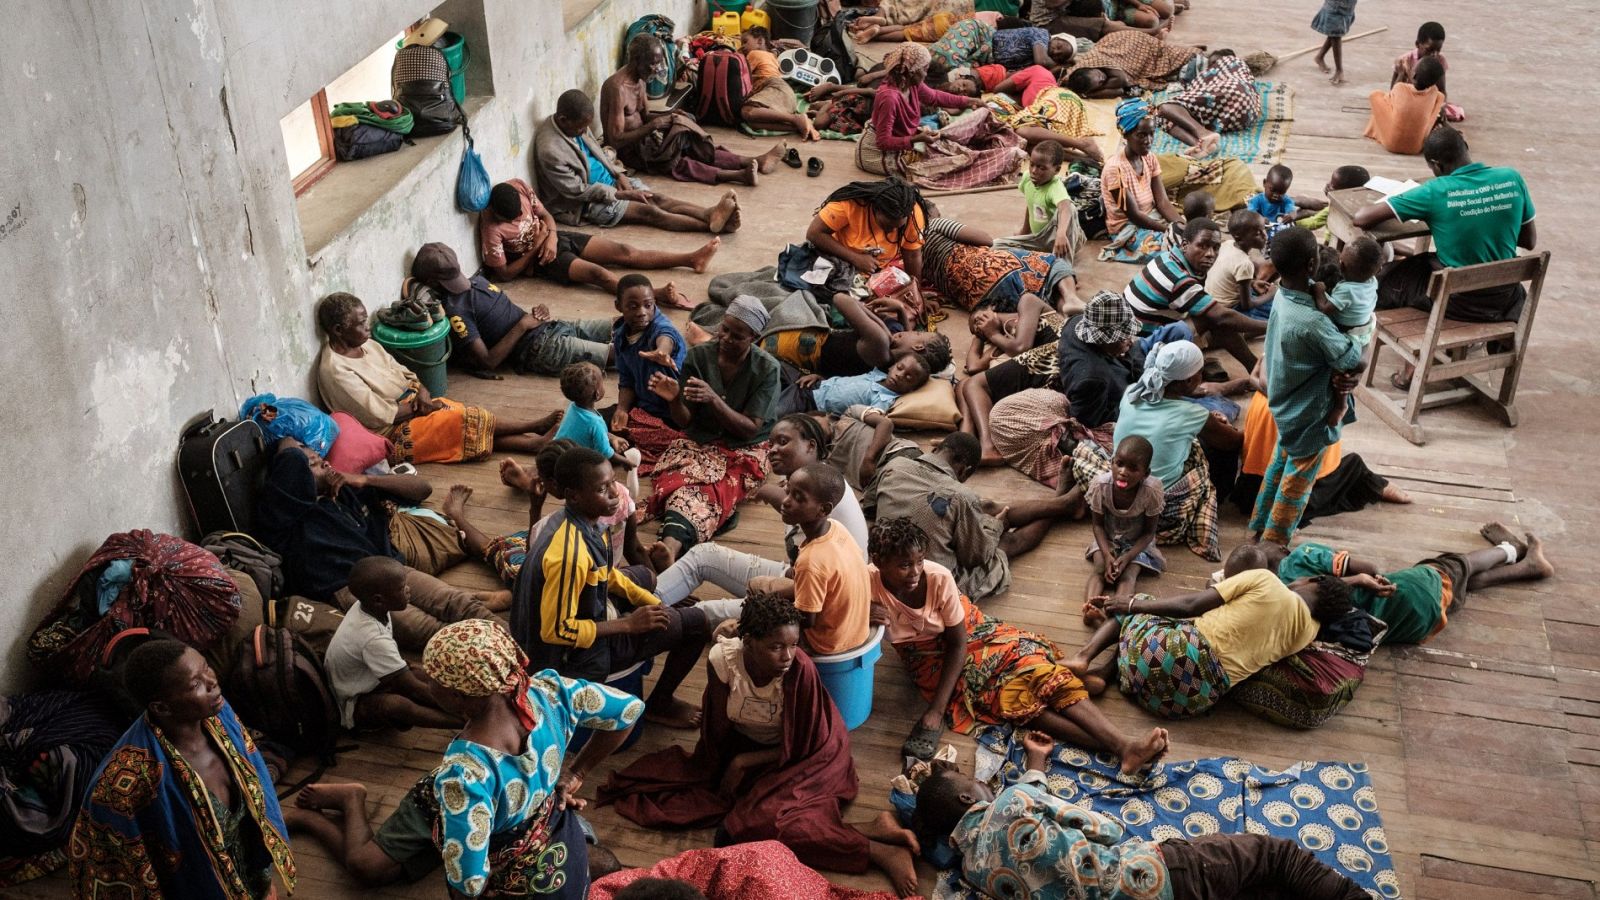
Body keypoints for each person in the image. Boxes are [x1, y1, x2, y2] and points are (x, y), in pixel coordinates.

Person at [600, 593, 923, 898]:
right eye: (775, 647)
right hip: (753, 746)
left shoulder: (800, 672)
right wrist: (721, 764)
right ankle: (870, 828)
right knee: (731, 820)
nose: (787, 656)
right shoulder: (723, 663)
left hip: (809, 754)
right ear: (748, 642)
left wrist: (743, 763)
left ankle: (877, 851)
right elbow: (717, 724)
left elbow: (801, 744)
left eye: (794, 645)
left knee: (772, 825)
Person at [915, 732, 1373, 900]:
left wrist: (1034, 768)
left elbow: (1027, 799)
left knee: (1260, 888)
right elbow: (1106, 829)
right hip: (1154, 879)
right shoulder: (1009, 802)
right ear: (964, 801)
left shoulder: (973, 871)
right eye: (973, 783)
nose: (983, 783)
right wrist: (1034, 767)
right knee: (1275, 856)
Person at [869, 519, 1169, 771]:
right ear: (879, 563)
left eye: (920, 561)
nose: (915, 571)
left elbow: (959, 642)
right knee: (1008, 699)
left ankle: (1123, 745)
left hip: (967, 632)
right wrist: (863, 611)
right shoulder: (865, 582)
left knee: (1030, 664)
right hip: (925, 657)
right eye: (905, 565)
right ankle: (1121, 745)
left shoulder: (938, 577)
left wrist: (936, 711)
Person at [424, 619, 640, 898]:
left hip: (521, 873)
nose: (428, 683)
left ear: (457, 695)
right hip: (558, 831)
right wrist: (577, 773)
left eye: (433, 680)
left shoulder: (465, 775)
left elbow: (469, 882)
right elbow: (629, 710)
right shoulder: (552, 693)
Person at [70, 640, 295, 899]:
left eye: (207, 668)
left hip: (248, 873)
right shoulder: (126, 782)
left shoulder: (220, 717)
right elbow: (113, 871)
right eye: (195, 684)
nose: (212, 682)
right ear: (161, 707)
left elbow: (255, 793)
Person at [511, 447, 709, 729]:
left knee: (644, 576)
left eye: (612, 483)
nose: (615, 495)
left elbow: (607, 575)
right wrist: (629, 625)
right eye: (602, 489)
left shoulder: (581, 522)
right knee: (696, 624)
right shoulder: (568, 555)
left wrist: (650, 601)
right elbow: (556, 631)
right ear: (574, 495)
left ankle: (649, 618)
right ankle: (660, 704)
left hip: (582, 619)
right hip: (565, 662)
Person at [255, 441, 499, 649]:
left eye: (320, 457)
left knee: (457, 602)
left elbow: (423, 489)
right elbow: (289, 451)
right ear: (293, 479)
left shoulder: (345, 493)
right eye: (312, 464)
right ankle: (502, 658)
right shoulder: (287, 515)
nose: (322, 461)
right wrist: (296, 451)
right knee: (433, 631)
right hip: (354, 591)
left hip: (389, 569)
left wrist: (365, 480)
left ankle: (519, 645)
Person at [650, 412, 874, 634]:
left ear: (810, 446)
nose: (773, 450)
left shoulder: (827, 492)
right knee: (702, 556)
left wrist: (766, 592)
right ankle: (645, 600)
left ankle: (645, 622)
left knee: (702, 611)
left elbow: (811, 602)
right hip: (800, 579)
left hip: (820, 603)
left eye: (784, 442)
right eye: (771, 444)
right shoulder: (810, 487)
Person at [1071, 548, 1354, 717]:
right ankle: (1106, 674)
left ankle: (1085, 656)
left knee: (1145, 604)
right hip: (1183, 703)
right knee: (1153, 635)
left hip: (1171, 653)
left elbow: (1190, 604)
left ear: (1315, 579)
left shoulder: (1266, 579)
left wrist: (1131, 603)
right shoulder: (1309, 634)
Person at [314, 292, 559, 462]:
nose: (368, 327)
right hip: (390, 429)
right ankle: (532, 427)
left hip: (412, 404)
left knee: (461, 422)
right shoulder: (336, 371)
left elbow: (403, 370)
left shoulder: (366, 345)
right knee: (462, 419)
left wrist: (421, 390)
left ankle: (533, 444)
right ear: (338, 330)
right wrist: (422, 408)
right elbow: (378, 414)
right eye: (360, 323)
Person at [1354, 127, 1538, 340]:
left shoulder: (1435, 191)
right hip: (1503, 296)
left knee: (1379, 282)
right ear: (1466, 147)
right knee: (1425, 265)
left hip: (1457, 301)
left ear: (1436, 165)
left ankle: (1414, 355)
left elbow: (1362, 218)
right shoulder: (1511, 178)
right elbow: (1529, 241)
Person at [1249, 227, 1364, 546]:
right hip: (1309, 413)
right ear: (1311, 265)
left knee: (1278, 468)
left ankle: (1257, 527)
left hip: (1286, 404)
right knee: (1294, 488)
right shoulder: (1313, 323)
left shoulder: (1285, 295)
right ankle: (1273, 546)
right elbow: (1352, 357)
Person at [645, 298, 781, 568]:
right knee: (681, 480)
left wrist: (714, 400)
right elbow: (686, 421)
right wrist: (673, 400)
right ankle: (671, 547)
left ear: (754, 338)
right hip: (700, 439)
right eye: (725, 329)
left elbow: (750, 428)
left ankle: (671, 545)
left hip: (746, 447)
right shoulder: (698, 357)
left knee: (717, 488)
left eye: (737, 336)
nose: (726, 338)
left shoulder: (767, 369)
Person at [1272, 523, 1555, 646]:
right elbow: (1370, 569)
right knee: (1449, 566)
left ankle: (1525, 569)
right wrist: (1359, 578)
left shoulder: (1285, 613)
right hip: (1412, 593)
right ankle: (1510, 550)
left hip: (1409, 628)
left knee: (1453, 585)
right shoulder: (1301, 559)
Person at [875, 432, 1071, 600]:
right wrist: (995, 528)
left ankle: (1061, 503)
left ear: (936, 450)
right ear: (964, 471)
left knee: (984, 508)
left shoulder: (895, 466)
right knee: (1006, 544)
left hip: (890, 563)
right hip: (927, 584)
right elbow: (976, 558)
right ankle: (1063, 504)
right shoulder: (961, 496)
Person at [534, 89, 740, 233]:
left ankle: (709, 214)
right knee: (649, 211)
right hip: (586, 203)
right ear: (563, 120)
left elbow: (597, 151)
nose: (583, 131)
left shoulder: (573, 121)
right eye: (580, 128)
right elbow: (577, 191)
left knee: (656, 198)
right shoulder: (551, 150)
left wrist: (618, 174)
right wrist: (621, 194)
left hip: (613, 183)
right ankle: (709, 226)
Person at [479, 179, 721, 295]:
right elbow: (505, 275)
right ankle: (653, 295)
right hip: (541, 261)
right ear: (495, 212)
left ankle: (691, 259)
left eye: (519, 215)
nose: (518, 219)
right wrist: (538, 245)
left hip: (556, 238)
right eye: (509, 220)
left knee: (625, 251)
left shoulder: (518, 188)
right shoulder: (492, 230)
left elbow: (546, 216)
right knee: (600, 275)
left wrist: (550, 235)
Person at [412, 242, 616, 377]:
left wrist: (537, 312)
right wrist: (522, 325)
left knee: (620, 324)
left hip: (552, 327)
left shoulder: (477, 281)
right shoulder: (456, 310)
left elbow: (505, 316)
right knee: (617, 353)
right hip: (541, 349)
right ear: (432, 281)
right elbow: (488, 361)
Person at [602, 34, 785, 185]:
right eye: (653, 64)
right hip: (631, 152)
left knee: (693, 141)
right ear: (636, 61)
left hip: (647, 139)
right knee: (678, 161)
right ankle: (736, 176)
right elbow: (615, 140)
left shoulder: (640, 79)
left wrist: (671, 117)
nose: (656, 69)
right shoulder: (617, 88)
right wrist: (654, 125)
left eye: (658, 63)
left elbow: (645, 117)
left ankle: (753, 160)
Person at [859, 44, 1024, 192]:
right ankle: (998, 157)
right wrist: (916, 139)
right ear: (912, 71)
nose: (926, 74)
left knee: (983, 113)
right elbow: (883, 142)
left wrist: (969, 101)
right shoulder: (890, 97)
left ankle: (995, 153)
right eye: (924, 69)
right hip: (877, 154)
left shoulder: (911, 83)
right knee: (961, 162)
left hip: (908, 140)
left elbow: (934, 97)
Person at [324, 556, 461, 731]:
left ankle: (463, 702)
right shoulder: (372, 638)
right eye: (401, 588)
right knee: (399, 706)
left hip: (371, 678)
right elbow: (413, 688)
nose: (408, 590)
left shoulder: (368, 608)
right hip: (353, 700)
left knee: (425, 673)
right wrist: (458, 710)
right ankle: (463, 723)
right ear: (379, 600)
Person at [1125, 218, 1267, 369]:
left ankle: (1253, 366)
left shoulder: (1168, 257)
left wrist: (1250, 283)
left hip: (1141, 329)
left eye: (1215, 247)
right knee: (1219, 320)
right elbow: (1222, 316)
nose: (1210, 254)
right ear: (1185, 245)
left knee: (1219, 319)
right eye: (1202, 246)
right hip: (1141, 345)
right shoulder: (1179, 280)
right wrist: (1271, 326)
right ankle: (1255, 368)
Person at [957, 299, 1074, 465]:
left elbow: (1021, 348)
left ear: (992, 306)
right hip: (1044, 371)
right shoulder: (1005, 337)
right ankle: (964, 442)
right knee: (963, 385)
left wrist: (991, 331)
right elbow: (974, 366)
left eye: (978, 320)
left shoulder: (1028, 302)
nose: (978, 328)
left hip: (1059, 358)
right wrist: (981, 336)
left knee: (974, 385)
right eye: (976, 332)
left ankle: (988, 447)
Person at [761, 290, 952, 381]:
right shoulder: (889, 362)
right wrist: (901, 309)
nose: (911, 330)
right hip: (812, 359)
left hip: (789, 346)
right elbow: (904, 332)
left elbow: (840, 299)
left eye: (918, 333)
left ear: (918, 347)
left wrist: (878, 323)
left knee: (793, 300)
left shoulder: (879, 342)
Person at [783, 464, 873, 654]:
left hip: (827, 643)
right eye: (788, 491)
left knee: (757, 623)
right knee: (764, 587)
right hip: (856, 630)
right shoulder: (836, 528)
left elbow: (806, 620)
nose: (786, 501)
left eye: (798, 497)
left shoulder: (811, 560)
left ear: (823, 509)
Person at [920, 215, 1081, 313]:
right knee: (1053, 262)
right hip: (991, 269)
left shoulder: (907, 250)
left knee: (1040, 295)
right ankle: (1071, 298)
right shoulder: (932, 224)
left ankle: (1063, 315)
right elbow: (986, 240)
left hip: (977, 300)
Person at [609, 276, 688, 464]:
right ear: (618, 306)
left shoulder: (661, 327)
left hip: (674, 413)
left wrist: (662, 352)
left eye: (648, 305)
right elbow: (626, 379)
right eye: (633, 306)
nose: (642, 312)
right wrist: (622, 409)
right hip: (643, 407)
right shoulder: (621, 337)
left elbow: (666, 337)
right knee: (594, 422)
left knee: (618, 443)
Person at [1099, 98, 1186, 264]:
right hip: (1128, 227)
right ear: (1126, 134)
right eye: (1141, 135)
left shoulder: (1149, 159)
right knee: (1174, 252)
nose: (1148, 140)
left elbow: (1162, 201)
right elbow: (1135, 216)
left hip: (1151, 217)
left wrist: (1181, 226)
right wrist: (1169, 229)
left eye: (1152, 133)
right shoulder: (1114, 170)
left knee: (1190, 237)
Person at [1084, 435, 1164, 605]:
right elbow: (1097, 526)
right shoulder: (1100, 486)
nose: (1123, 472)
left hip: (1137, 544)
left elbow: (1149, 533)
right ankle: (1090, 607)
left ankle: (1117, 612)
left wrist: (1128, 557)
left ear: (1145, 473)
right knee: (1099, 569)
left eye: (1133, 469)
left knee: (1128, 575)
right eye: (1119, 464)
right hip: (1107, 539)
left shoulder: (1151, 491)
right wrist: (1106, 555)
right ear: (1112, 462)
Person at [806, 178, 930, 281]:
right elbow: (814, 233)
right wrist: (855, 258)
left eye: (897, 227)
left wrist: (915, 291)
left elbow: (913, 255)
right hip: (839, 259)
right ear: (875, 209)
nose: (891, 231)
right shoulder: (849, 205)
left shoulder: (913, 213)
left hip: (876, 268)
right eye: (886, 225)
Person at [554, 361, 640, 496]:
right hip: (573, 467)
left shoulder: (573, 407)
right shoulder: (595, 423)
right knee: (604, 472)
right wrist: (624, 461)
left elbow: (590, 432)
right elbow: (605, 453)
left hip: (557, 452)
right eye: (602, 382)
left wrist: (612, 437)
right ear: (597, 394)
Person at [1154, 52, 1262, 158]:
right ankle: (1201, 145)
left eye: (1211, 65)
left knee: (1166, 107)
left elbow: (1193, 90)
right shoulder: (1245, 74)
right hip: (1247, 114)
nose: (1208, 69)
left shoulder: (1229, 62)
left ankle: (1203, 133)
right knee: (1165, 119)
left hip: (1232, 91)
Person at [994, 140, 1085, 259]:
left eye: (1042, 168)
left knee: (1071, 207)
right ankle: (1046, 258)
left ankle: (1062, 266)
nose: (1034, 171)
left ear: (1056, 170)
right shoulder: (1027, 178)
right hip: (1038, 239)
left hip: (1060, 240)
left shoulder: (1055, 187)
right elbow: (1031, 204)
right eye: (1032, 164)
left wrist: (1061, 234)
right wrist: (1024, 231)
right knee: (995, 245)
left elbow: (1065, 207)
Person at [784, 352, 931, 416]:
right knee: (774, 366)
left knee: (772, 411)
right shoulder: (877, 374)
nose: (900, 375)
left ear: (912, 389)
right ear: (892, 366)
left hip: (810, 403)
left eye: (908, 377)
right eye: (899, 368)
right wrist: (819, 377)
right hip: (813, 384)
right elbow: (846, 382)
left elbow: (873, 418)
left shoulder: (883, 400)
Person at [739, 27, 820, 141]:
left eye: (745, 41)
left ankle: (795, 119)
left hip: (774, 87)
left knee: (747, 111)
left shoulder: (754, 54)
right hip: (786, 97)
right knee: (754, 123)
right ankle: (801, 125)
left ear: (760, 41)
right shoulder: (772, 56)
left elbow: (742, 76)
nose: (742, 46)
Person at [1064, 30, 1204, 96]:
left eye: (1099, 74)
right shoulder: (1079, 83)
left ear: (1091, 67)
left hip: (1132, 43)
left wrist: (1093, 93)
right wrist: (1092, 93)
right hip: (1126, 57)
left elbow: (1122, 79)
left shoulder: (1093, 60)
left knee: (1173, 57)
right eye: (1100, 83)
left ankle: (1183, 49)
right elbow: (1119, 89)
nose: (1102, 78)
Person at [1364, 55, 1447, 155]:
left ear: (1414, 75)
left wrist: (1400, 73)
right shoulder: (1434, 94)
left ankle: (1377, 132)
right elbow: (1420, 89)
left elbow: (1391, 96)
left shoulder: (1400, 87)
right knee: (1439, 99)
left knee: (1376, 95)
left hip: (1391, 144)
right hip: (1415, 148)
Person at [1312, 235, 1382, 349]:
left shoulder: (1346, 290)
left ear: (1342, 267)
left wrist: (1319, 290)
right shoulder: (1372, 280)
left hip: (1346, 330)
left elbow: (1324, 309)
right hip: (1365, 325)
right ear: (1379, 270)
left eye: (1341, 260)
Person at [1205, 209, 1276, 317]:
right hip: (1228, 309)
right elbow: (1247, 305)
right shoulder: (1244, 263)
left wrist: (1252, 283)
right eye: (1258, 233)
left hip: (1211, 301)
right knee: (1276, 313)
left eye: (1264, 230)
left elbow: (1229, 276)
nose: (1265, 236)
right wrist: (1271, 293)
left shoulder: (1228, 244)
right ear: (1238, 236)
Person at [1392, 21, 1463, 121]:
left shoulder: (1440, 60)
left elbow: (1442, 90)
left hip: (1428, 102)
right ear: (1417, 44)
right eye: (1429, 50)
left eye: (1438, 50)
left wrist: (1441, 106)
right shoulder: (1404, 60)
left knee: (1449, 112)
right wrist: (1401, 73)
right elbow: (1392, 93)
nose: (1434, 54)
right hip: (1406, 102)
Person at [1247, 164, 1311, 234]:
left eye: (1281, 192)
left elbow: (1291, 210)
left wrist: (1291, 215)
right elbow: (1251, 213)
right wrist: (1259, 219)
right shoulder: (1256, 200)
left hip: (1279, 231)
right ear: (1264, 183)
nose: (1276, 195)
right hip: (1261, 231)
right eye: (1272, 190)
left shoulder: (1286, 200)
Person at [1311, 0, 1357, 84]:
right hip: (1337, 5)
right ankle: (1339, 70)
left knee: (1335, 32)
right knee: (1336, 34)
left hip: (1346, 5)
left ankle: (1319, 57)